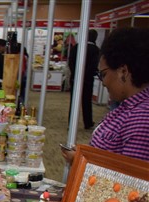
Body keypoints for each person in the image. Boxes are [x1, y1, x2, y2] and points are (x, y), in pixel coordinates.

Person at [62, 27, 149, 164]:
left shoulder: (141, 120)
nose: (103, 83)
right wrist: (86, 154)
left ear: (123, 71)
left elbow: (126, 175)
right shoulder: (128, 108)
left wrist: (80, 161)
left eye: (103, 74)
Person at [68, 29, 100, 130]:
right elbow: (95, 66)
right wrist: (88, 74)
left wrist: (75, 73)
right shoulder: (96, 50)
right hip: (88, 79)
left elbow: (70, 62)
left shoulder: (76, 47)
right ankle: (88, 122)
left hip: (75, 78)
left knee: (73, 102)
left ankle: (71, 123)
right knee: (87, 101)